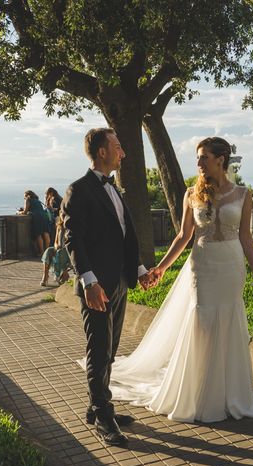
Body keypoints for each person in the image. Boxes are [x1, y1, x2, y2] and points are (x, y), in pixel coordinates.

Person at [106, 136, 253, 423]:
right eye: (198, 158)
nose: (199, 163)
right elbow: (183, 236)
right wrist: (162, 268)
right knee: (202, 322)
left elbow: (246, 238)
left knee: (229, 321)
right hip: (202, 266)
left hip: (231, 266)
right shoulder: (192, 192)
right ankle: (200, 392)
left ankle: (230, 393)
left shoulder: (244, 194)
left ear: (221, 159)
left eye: (204, 157)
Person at [61, 127, 156, 447]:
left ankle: (96, 406)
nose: (123, 152)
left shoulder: (116, 189)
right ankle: (103, 416)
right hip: (96, 287)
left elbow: (125, 236)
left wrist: (140, 270)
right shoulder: (78, 190)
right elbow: (72, 240)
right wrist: (88, 281)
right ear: (102, 152)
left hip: (120, 283)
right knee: (98, 351)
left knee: (110, 351)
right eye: (118, 146)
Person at [40, 211, 71, 287]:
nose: (62, 217)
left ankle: (63, 274)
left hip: (68, 250)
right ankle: (45, 276)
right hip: (59, 248)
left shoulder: (70, 227)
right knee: (48, 251)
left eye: (64, 215)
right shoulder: (59, 227)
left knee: (61, 252)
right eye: (61, 215)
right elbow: (55, 241)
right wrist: (56, 245)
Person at [20, 190, 51, 256]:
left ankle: (42, 252)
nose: (24, 198)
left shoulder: (28, 200)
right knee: (46, 233)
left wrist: (19, 212)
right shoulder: (37, 200)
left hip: (37, 217)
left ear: (27, 195)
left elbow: (25, 211)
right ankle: (48, 252)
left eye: (24, 196)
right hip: (44, 216)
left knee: (38, 234)